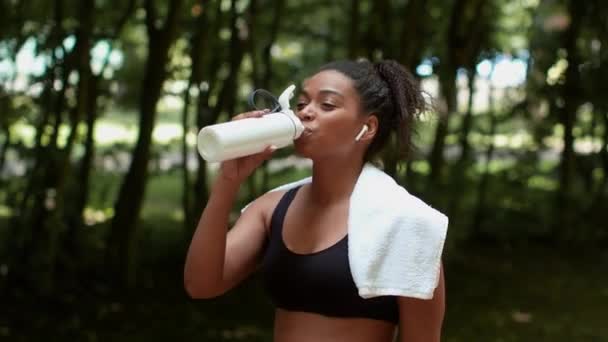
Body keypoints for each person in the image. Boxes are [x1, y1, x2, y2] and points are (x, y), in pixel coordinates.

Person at [184, 59, 446, 342]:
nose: (306, 112)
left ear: (367, 128)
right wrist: (228, 181)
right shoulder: (272, 208)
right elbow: (201, 284)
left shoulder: (405, 223)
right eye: (301, 104)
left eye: (327, 105)